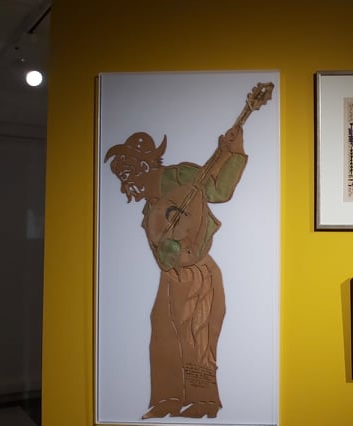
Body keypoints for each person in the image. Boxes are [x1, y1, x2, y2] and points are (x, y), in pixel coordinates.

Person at [104, 124, 248, 419]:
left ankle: (203, 401)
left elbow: (218, 190)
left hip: (196, 271)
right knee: (163, 332)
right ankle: (168, 398)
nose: (125, 186)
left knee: (196, 334)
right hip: (170, 275)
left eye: (128, 176)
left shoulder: (178, 177)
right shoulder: (151, 203)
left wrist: (230, 152)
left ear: (143, 166)